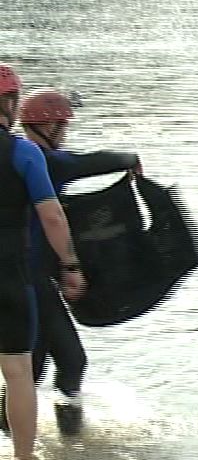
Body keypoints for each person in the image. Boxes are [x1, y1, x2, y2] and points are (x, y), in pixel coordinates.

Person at [4, 89, 140, 436]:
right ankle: (67, 444)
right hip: (30, 279)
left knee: (36, 367)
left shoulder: (20, 155)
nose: (65, 133)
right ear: (48, 126)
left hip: (26, 275)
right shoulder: (47, 161)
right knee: (65, 361)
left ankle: (42, 440)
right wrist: (130, 158)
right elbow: (91, 162)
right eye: (63, 126)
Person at [0, 64, 82, 459]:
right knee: (19, 374)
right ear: (11, 104)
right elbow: (52, 216)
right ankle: (22, 455)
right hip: (8, 276)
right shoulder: (24, 152)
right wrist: (70, 264)